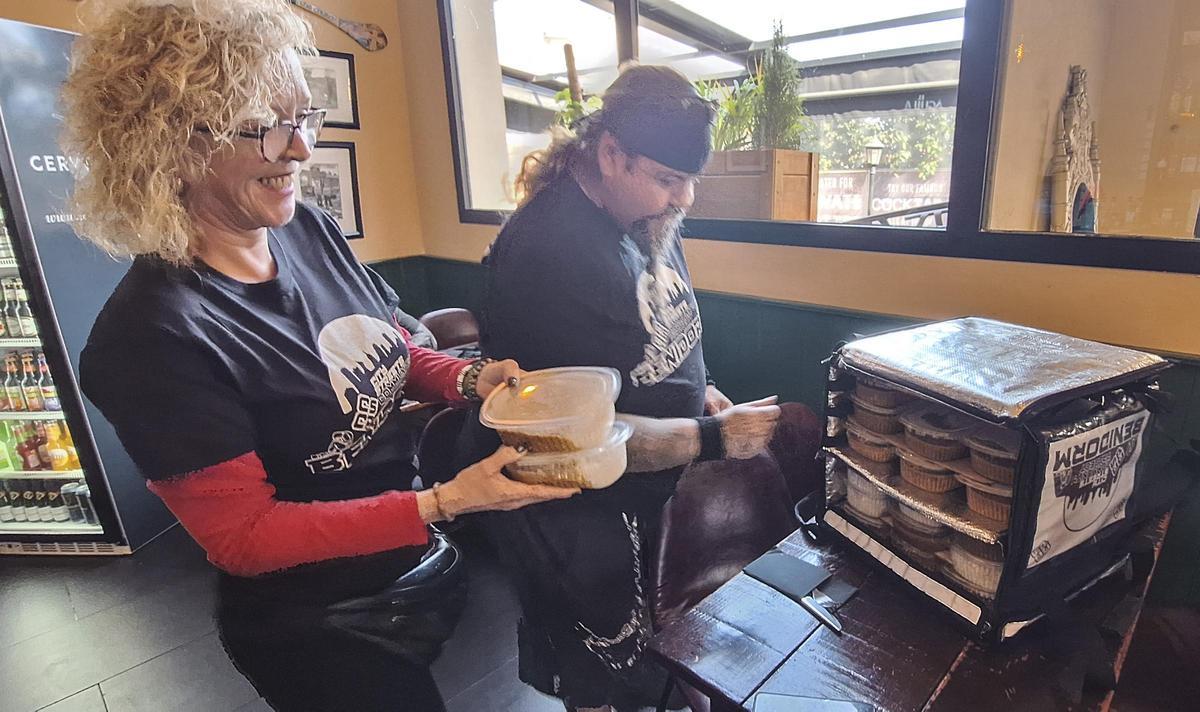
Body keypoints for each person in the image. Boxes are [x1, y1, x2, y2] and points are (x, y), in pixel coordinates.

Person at [60, 1, 577, 710]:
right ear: (174, 142)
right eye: (268, 128)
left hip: (403, 574)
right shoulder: (150, 340)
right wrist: (448, 499)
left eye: (304, 119)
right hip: (313, 627)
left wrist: (470, 378)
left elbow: (379, 345)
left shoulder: (307, 228)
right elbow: (245, 536)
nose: (301, 149)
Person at [464, 65, 823, 711]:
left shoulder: (642, 213)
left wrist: (703, 385)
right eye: (667, 178)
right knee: (607, 672)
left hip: (652, 489)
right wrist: (716, 436)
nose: (683, 197)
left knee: (662, 661)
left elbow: (664, 324)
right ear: (609, 154)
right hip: (576, 513)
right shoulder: (547, 254)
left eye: (690, 179)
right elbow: (569, 446)